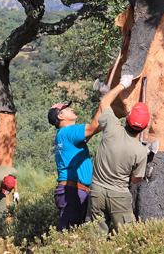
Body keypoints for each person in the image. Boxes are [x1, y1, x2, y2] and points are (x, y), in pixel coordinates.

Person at [86, 74, 150, 235]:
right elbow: (136, 180)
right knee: (127, 237)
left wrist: (123, 84)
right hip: (119, 196)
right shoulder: (141, 151)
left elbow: (104, 102)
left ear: (127, 119)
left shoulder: (112, 127)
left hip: (96, 191)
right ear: (144, 128)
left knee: (95, 238)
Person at [47, 98, 102, 231]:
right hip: (72, 192)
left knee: (72, 235)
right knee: (67, 237)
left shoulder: (63, 135)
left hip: (72, 190)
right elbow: (93, 127)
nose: (72, 109)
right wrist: (104, 101)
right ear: (60, 116)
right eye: (67, 108)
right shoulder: (68, 131)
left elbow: (95, 129)